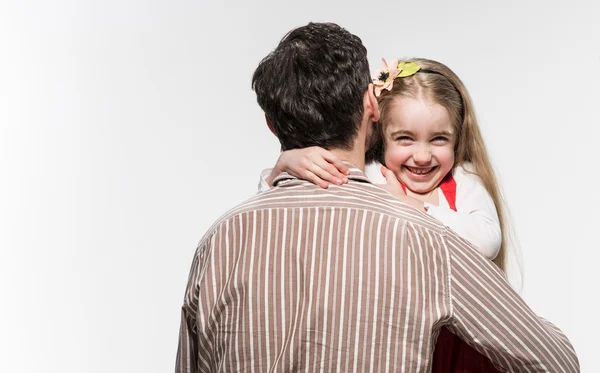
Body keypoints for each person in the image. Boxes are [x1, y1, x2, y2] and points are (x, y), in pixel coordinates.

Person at [176, 22, 579, 372]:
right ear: (372, 105)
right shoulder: (427, 240)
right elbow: (555, 361)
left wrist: (277, 172)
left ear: (270, 124)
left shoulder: (220, 241)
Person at [257, 57, 515, 372]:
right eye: (405, 138)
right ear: (382, 135)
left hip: (456, 344)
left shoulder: (463, 182)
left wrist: (411, 206)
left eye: (439, 139)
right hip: (392, 340)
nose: (422, 155)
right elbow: (283, 214)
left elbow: (487, 242)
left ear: (458, 138)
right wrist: (285, 165)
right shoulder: (371, 175)